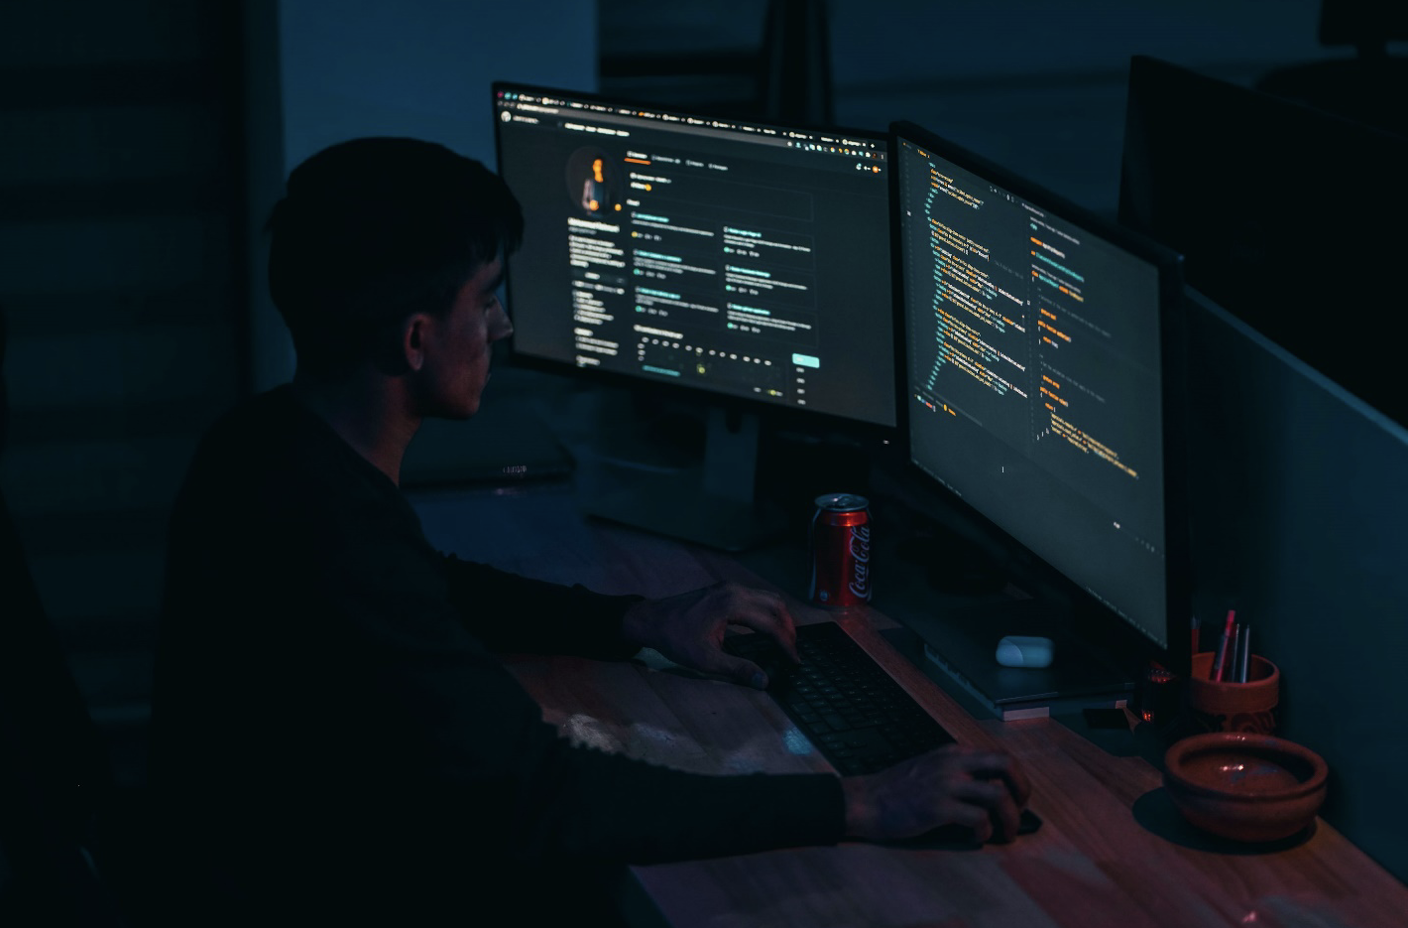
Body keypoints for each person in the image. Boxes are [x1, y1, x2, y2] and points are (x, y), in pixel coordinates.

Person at [147, 137, 1031, 926]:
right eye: (486, 299)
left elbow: (424, 589)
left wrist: (634, 622)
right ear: (417, 339)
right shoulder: (338, 536)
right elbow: (544, 797)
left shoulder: (265, 448)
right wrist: (860, 805)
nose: (503, 325)